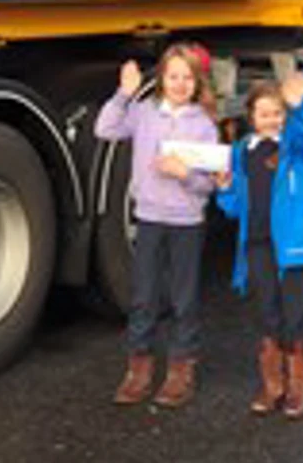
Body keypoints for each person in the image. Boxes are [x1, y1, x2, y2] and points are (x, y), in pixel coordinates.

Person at [94, 42, 221, 408]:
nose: (180, 84)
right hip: (149, 218)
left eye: (187, 77)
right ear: (162, 80)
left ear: (196, 83)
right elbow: (105, 129)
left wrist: (185, 175)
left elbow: (207, 184)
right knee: (143, 296)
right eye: (173, 76)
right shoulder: (145, 113)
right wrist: (124, 93)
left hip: (187, 222)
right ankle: (139, 368)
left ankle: (181, 370)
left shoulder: (204, 126)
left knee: (184, 299)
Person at [213, 70, 303, 419]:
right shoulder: (242, 152)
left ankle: (298, 387)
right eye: (265, 113)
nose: (272, 120)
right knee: (266, 311)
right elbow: (235, 207)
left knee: (295, 314)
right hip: (257, 244)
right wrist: (224, 188)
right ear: (251, 117)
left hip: (295, 246)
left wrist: (301, 106)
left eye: (278, 113)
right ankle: (272, 385)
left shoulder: (296, 149)